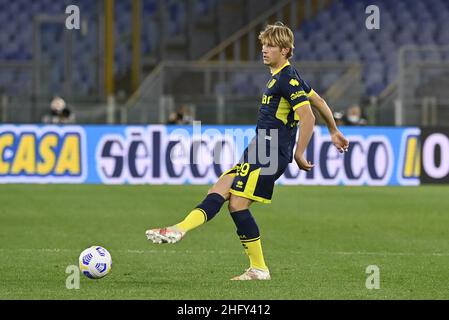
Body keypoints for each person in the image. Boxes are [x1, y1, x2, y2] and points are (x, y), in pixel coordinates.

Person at [145, 22, 349, 280]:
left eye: (271, 46)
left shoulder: (287, 78)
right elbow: (318, 100)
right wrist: (333, 130)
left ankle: (259, 268)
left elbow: (308, 116)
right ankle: (178, 229)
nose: (264, 49)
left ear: (285, 50)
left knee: (238, 204)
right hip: (258, 150)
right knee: (219, 188)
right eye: (263, 44)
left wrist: (300, 152)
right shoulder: (285, 76)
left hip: (271, 153)